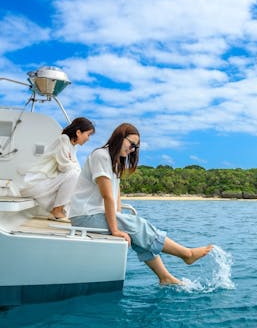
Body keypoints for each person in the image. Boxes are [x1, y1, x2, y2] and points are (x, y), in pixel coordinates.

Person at [69, 123, 213, 285]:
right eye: (131, 144)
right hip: (85, 216)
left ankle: (165, 277)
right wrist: (115, 229)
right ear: (120, 137)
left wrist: (119, 217)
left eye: (135, 148)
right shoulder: (101, 155)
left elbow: (116, 194)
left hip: (94, 215)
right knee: (139, 224)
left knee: (136, 231)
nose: (132, 149)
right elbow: (107, 196)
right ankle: (187, 254)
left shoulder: (113, 161)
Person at [20, 117, 95, 222]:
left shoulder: (73, 147)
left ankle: (60, 210)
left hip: (49, 181)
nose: (88, 138)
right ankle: (57, 211)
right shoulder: (63, 139)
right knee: (74, 174)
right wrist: (72, 164)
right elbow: (64, 167)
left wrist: (72, 163)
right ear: (78, 132)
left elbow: (74, 167)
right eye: (88, 134)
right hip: (38, 182)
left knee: (76, 174)